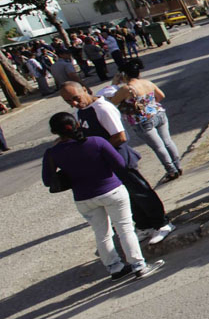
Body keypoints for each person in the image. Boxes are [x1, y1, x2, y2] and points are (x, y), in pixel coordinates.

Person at [42, 112, 164, 281]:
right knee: (125, 228)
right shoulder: (96, 142)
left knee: (102, 233)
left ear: (55, 132)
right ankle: (138, 265)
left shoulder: (52, 153)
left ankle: (115, 268)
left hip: (84, 198)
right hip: (111, 190)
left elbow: (48, 180)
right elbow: (120, 163)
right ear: (77, 124)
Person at [60, 81, 176, 245]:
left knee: (140, 191)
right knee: (127, 196)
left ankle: (162, 223)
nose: (74, 103)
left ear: (85, 90)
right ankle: (144, 225)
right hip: (105, 162)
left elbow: (120, 136)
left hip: (119, 158)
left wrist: (98, 151)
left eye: (76, 98)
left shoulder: (102, 108)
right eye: (68, 101)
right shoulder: (81, 112)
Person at [109, 58, 182, 180]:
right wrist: (149, 105)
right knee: (167, 142)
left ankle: (171, 171)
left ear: (124, 75)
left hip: (142, 120)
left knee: (158, 147)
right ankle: (177, 166)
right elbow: (161, 95)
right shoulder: (147, 82)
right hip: (159, 114)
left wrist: (114, 84)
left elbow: (112, 102)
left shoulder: (127, 89)